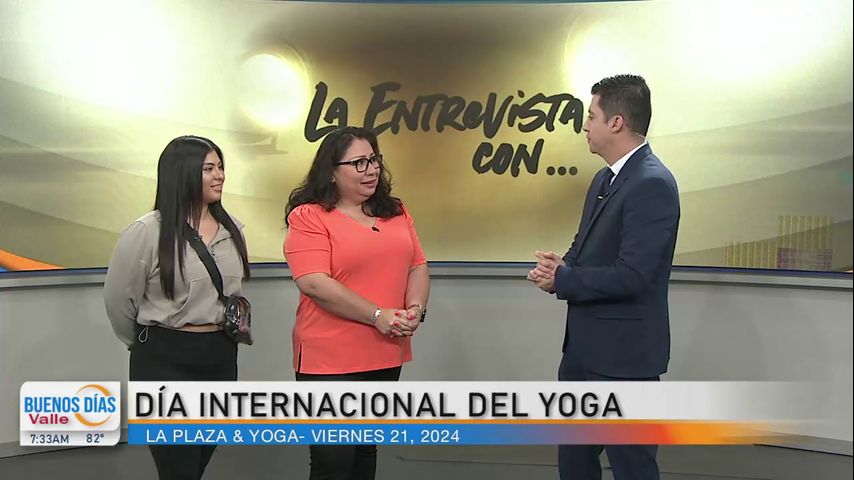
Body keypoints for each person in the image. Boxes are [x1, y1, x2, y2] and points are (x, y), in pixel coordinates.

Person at [528, 74, 680, 480]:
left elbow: (635, 275)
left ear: (616, 123)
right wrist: (560, 266)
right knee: (574, 463)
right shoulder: (605, 178)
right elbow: (585, 244)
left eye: (591, 116)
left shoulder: (652, 183)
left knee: (632, 467)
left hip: (624, 360)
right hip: (582, 353)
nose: (585, 126)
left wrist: (565, 280)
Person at [284, 126, 429, 480]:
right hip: (329, 358)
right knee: (333, 462)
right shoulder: (309, 216)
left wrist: (415, 309)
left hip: (385, 350)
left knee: (365, 450)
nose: (372, 170)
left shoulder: (396, 211)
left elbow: (417, 264)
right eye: (359, 163)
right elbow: (313, 282)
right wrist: (377, 315)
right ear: (331, 172)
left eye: (374, 160)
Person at [104, 135, 251, 480]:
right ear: (182, 173)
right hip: (164, 359)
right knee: (178, 468)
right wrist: (146, 344)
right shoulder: (147, 232)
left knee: (198, 460)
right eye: (208, 169)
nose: (220, 176)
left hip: (219, 355)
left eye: (221, 167)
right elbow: (118, 301)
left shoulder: (233, 230)